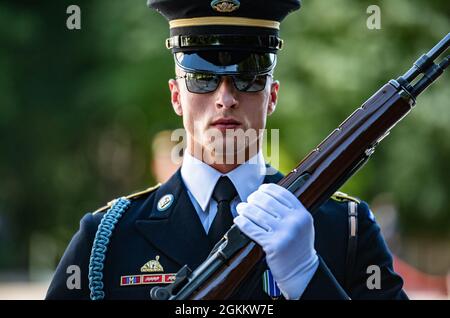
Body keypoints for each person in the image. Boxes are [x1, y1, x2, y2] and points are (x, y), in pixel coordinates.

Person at [46, 0, 407, 300]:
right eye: (203, 79)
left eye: (248, 78)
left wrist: (308, 276)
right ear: (176, 96)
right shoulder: (107, 239)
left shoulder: (345, 230)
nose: (226, 99)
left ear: (272, 97)